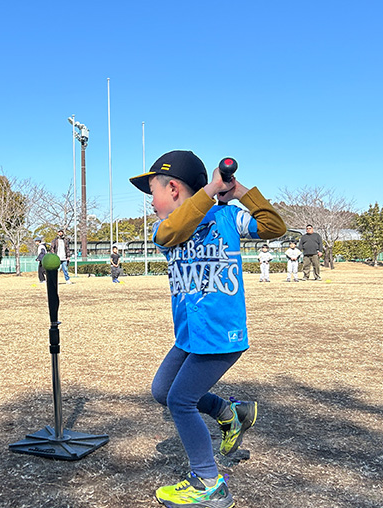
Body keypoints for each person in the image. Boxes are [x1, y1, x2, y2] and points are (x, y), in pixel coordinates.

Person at [129, 150, 286, 507]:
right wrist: (208, 190)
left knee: (180, 402)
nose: (150, 203)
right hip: (189, 334)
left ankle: (208, 482)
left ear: (172, 188)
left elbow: (275, 227)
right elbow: (172, 231)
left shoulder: (228, 217)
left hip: (220, 333)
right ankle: (229, 413)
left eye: (152, 192)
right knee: (162, 391)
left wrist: (238, 190)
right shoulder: (164, 228)